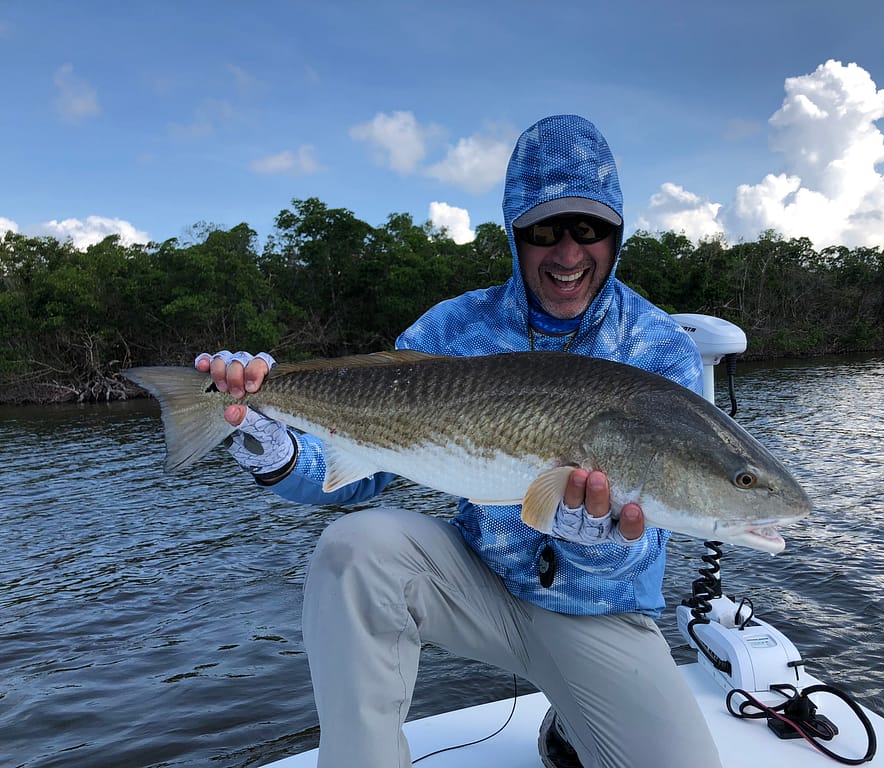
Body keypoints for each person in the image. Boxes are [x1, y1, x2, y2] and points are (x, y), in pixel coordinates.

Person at [197, 114, 722, 768]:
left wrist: (607, 541)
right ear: (513, 233)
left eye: (589, 229)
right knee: (356, 550)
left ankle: (573, 721)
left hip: (600, 613)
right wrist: (276, 448)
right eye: (543, 230)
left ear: (618, 233)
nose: (566, 254)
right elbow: (358, 473)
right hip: (476, 586)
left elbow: (656, 518)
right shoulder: (453, 329)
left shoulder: (659, 350)